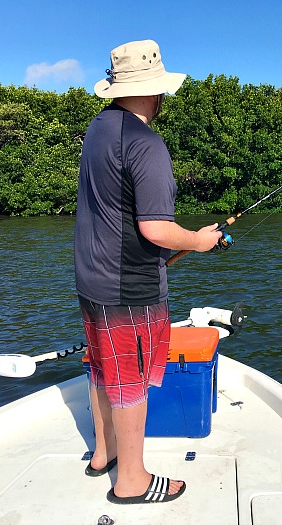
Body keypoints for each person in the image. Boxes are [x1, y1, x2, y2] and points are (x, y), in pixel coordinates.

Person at [74, 39, 222, 505]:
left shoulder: (99, 128)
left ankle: (104, 454)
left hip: (91, 280)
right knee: (131, 381)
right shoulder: (147, 144)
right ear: (157, 92)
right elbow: (156, 228)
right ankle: (132, 480)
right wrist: (200, 240)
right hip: (129, 289)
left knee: (103, 370)